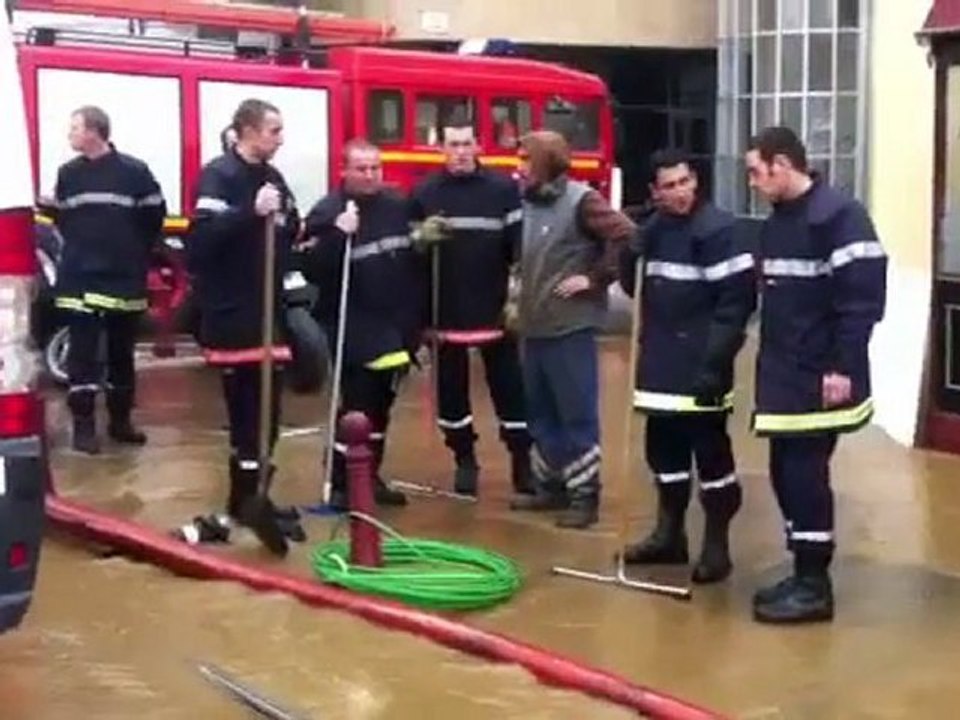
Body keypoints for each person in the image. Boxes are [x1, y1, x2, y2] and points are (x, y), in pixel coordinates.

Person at [745, 126, 887, 624]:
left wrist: (842, 367)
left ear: (783, 165)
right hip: (783, 371)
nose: (754, 183)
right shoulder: (779, 221)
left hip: (819, 375)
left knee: (805, 474)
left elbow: (861, 301)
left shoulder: (840, 217)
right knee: (785, 471)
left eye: (757, 172)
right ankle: (803, 568)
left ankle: (815, 587)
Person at [618, 149, 756, 584]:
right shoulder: (653, 231)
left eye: (685, 182)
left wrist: (716, 363)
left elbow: (736, 306)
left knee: (712, 456)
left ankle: (717, 545)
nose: (680, 192)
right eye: (669, 186)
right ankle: (669, 535)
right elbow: (634, 289)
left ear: (695, 181)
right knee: (663, 453)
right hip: (659, 360)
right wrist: (629, 252)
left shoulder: (720, 231)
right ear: (654, 192)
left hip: (702, 362)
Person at [180, 98, 305, 551]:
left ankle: (252, 501)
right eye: (273, 129)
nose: (280, 138)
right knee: (248, 415)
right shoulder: (220, 176)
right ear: (248, 131)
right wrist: (248, 213)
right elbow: (200, 244)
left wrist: (290, 224)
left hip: (270, 311)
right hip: (234, 315)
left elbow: (292, 230)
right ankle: (242, 502)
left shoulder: (273, 178)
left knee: (269, 418)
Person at [509, 130, 636, 529]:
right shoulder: (528, 204)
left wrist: (596, 278)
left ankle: (585, 495)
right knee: (542, 412)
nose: (519, 167)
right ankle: (551, 486)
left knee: (576, 413)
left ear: (546, 162)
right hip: (535, 326)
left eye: (525, 159)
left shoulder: (583, 201)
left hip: (570, 327)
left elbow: (627, 233)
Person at [408, 112, 533, 499]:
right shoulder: (425, 192)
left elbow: (521, 250)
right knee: (451, 395)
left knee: (511, 391)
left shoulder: (502, 190)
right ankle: (464, 460)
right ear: (440, 148)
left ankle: (522, 465)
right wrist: (419, 237)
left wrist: (517, 299)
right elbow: (410, 255)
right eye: (453, 144)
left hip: (495, 311)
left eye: (467, 144)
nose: (461, 152)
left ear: (479, 145)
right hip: (445, 311)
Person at [303, 139, 425, 511]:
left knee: (381, 408)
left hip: (396, 324)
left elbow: (410, 261)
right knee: (356, 408)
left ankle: (368, 476)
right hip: (352, 324)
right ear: (344, 170)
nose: (371, 175)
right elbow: (310, 269)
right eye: (362, 168)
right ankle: (342, 483)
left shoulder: (397, 206)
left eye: (376, 168)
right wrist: (339, 234)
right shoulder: (328, 212)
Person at [50, 105, 166, 455]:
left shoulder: (134, 172)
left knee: (121, 353)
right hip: (79, 275)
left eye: (74, 128)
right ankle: (84, 428)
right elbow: (63, 218)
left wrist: (130, 252)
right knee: (82, 356)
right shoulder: (68, 173)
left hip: (120, 276)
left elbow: (153, 216)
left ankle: (120, 422)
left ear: (94, 132)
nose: (69, 135)